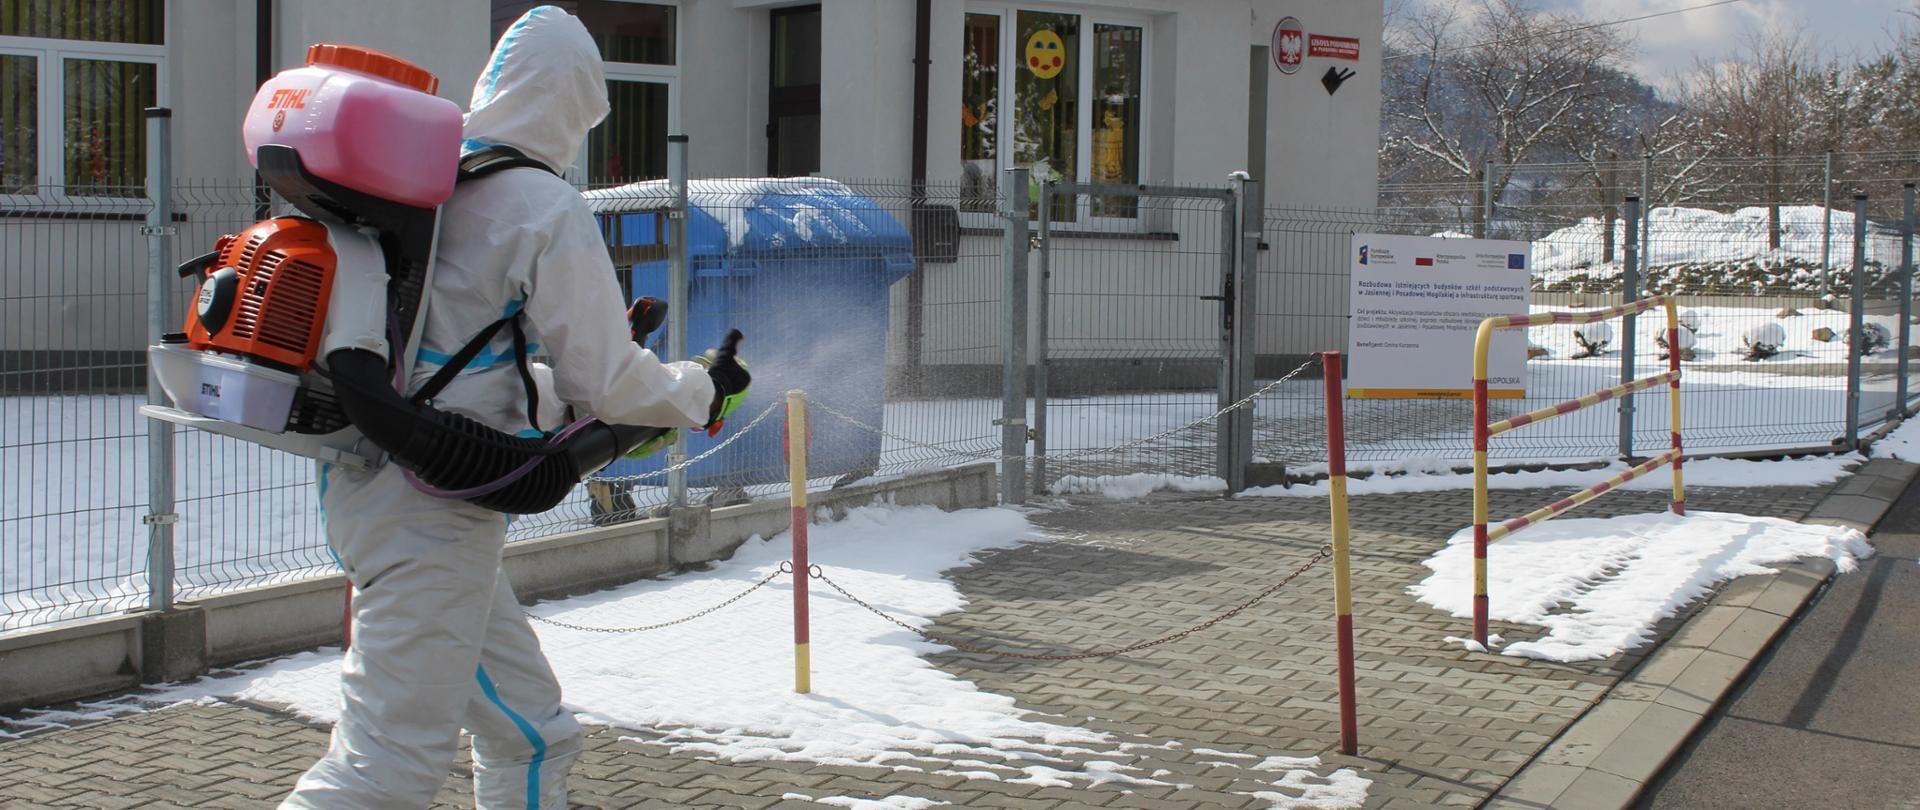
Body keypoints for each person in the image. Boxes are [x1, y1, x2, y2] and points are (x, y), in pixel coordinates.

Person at [282, 7, 748, 808]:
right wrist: (704, 382)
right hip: (432, 511)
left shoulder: (430, 175)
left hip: (378, 485)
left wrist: (558, 380)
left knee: (532, 732)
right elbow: (616, 386)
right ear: (572, 104)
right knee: (381, 773)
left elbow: (448, 358)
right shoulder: (540, 202)